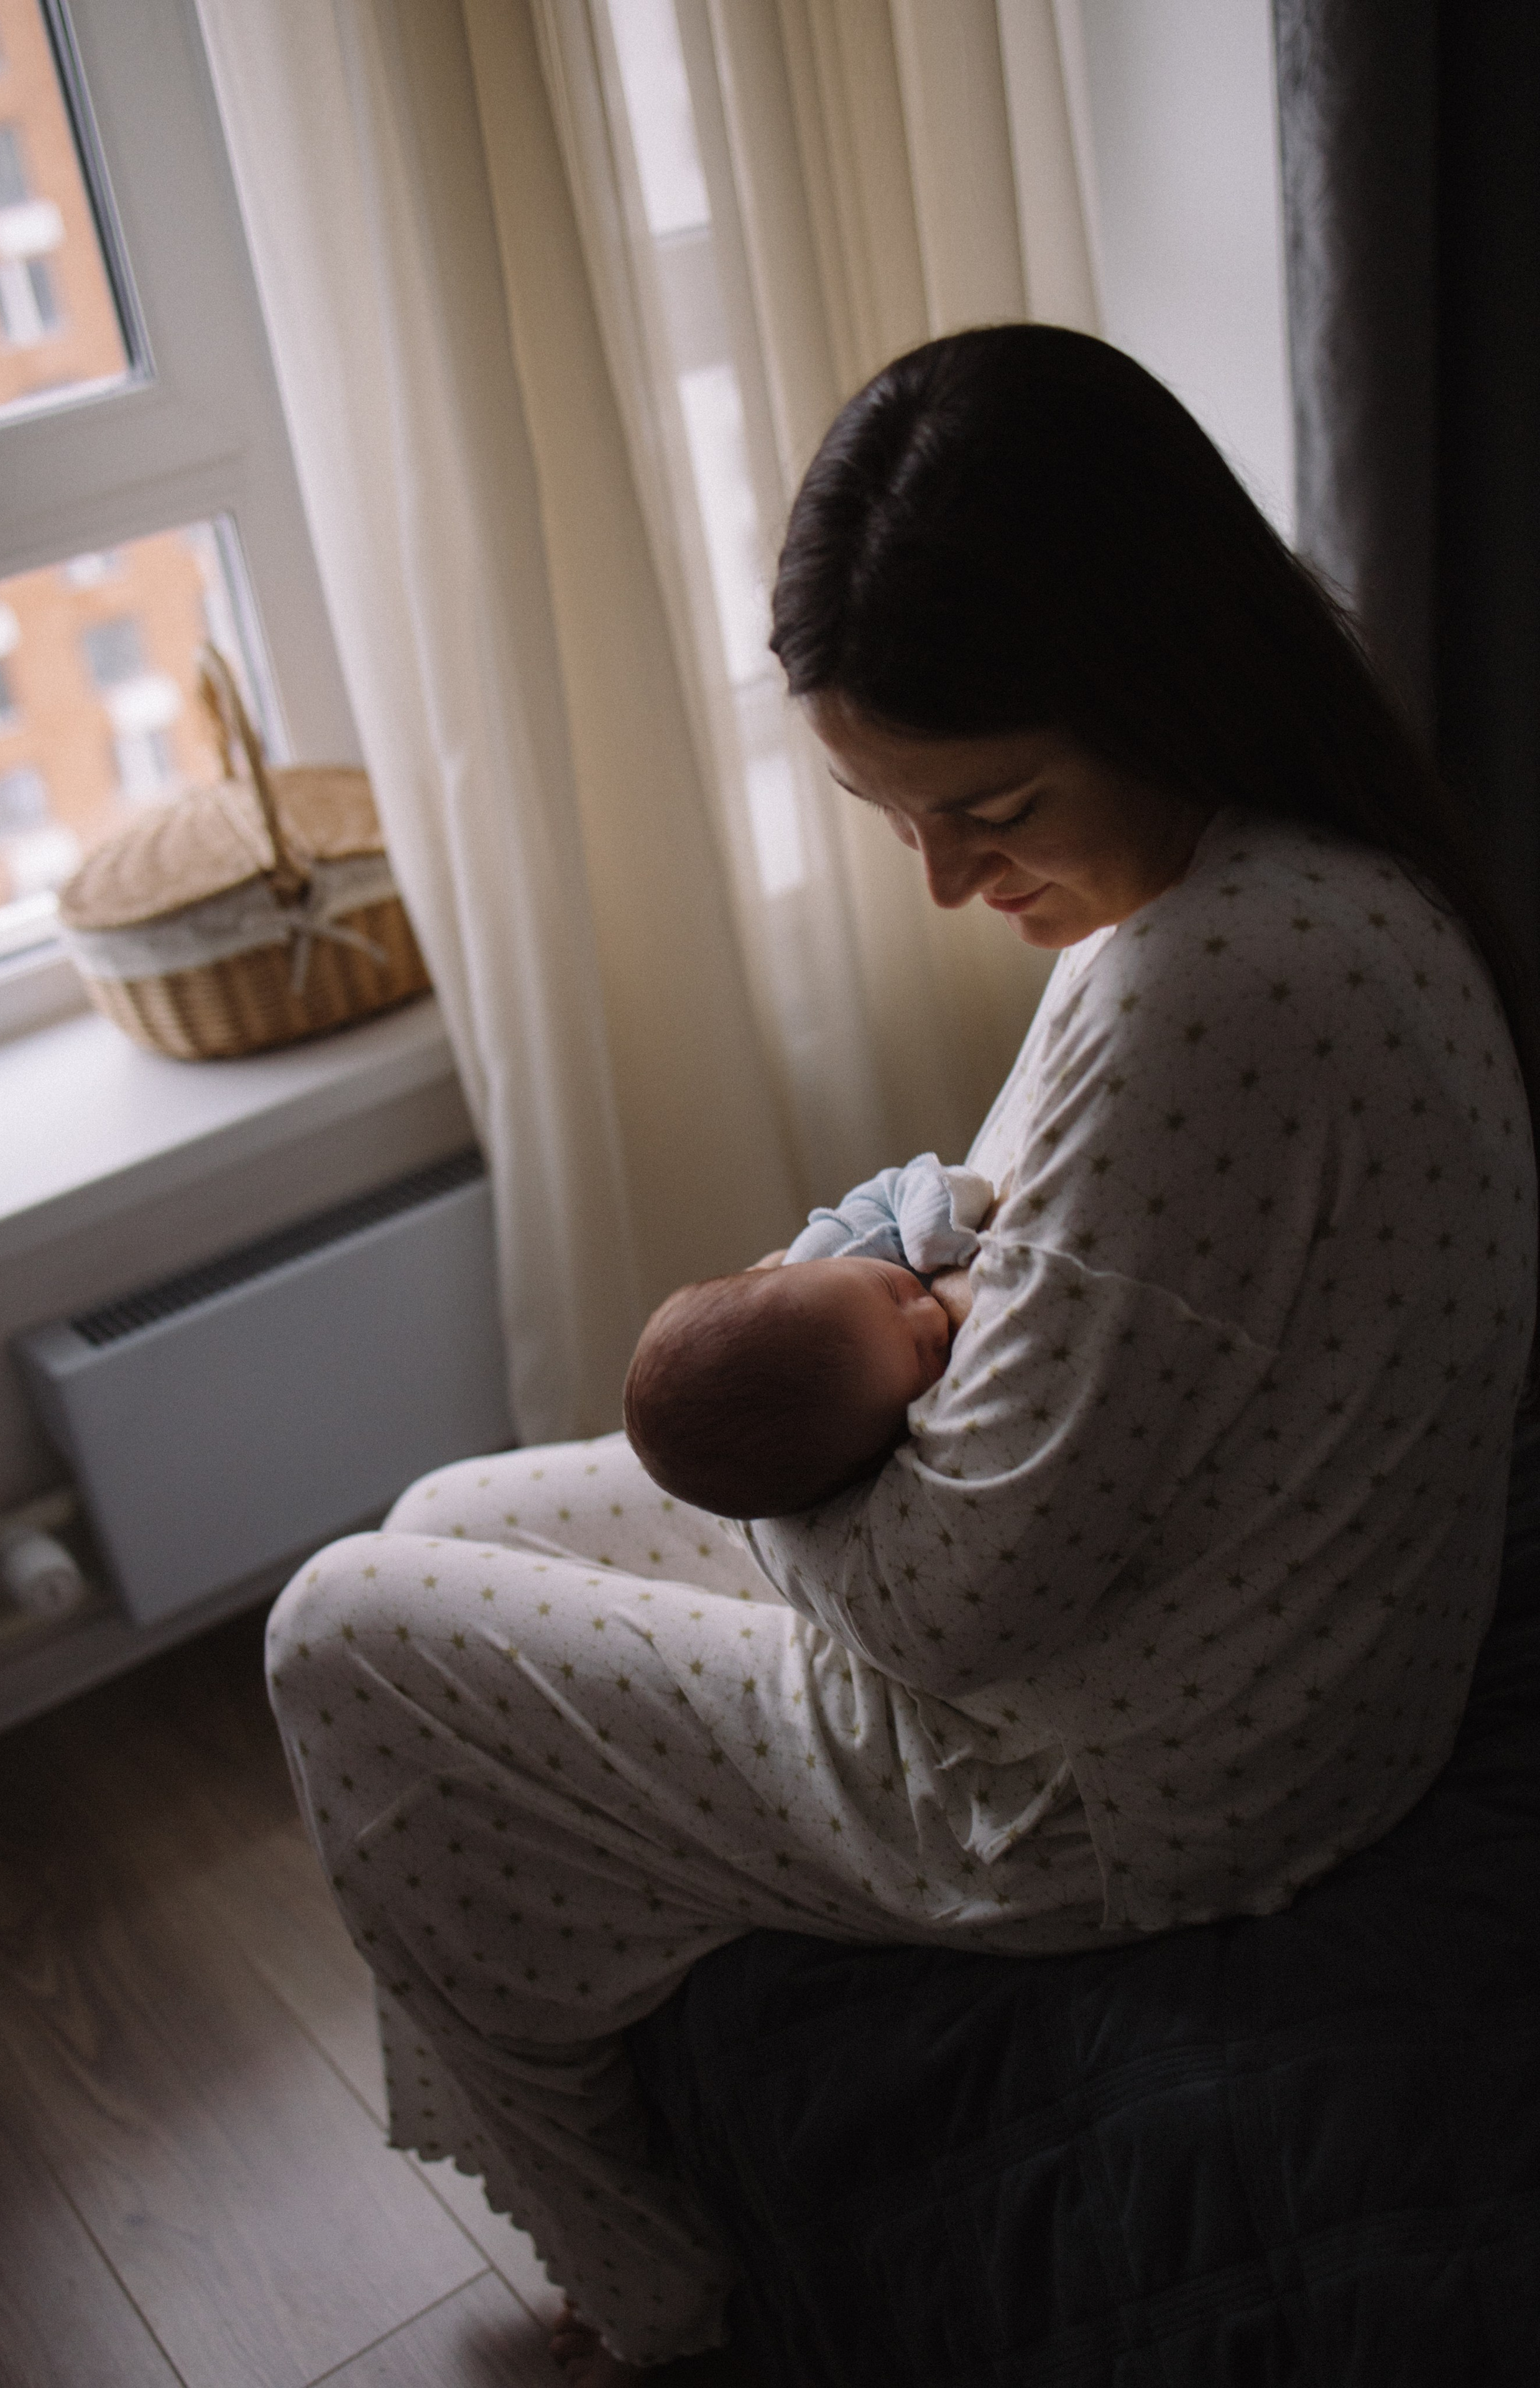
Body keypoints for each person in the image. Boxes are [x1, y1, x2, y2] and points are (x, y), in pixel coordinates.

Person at [264, 325, 1537, 2387]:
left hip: (1113, 1792)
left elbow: (955, 1612)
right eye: (892, 814)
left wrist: (756, 1465)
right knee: (445, 1516)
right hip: (1178, 1655)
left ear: (1156, 675)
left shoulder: (1221, 984)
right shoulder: (1278, 885)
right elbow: (1030, 1287)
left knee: (344, 1630)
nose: (947, 877)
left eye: (989, 805)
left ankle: (656, 2295)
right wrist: (846, 1382)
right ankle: (608, 2062)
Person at [623, 1152, 990, 1519]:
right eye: (924, 1355)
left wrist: (934, 1225)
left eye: (890, 1292)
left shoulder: (835, 1250)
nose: (931, 1318)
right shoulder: (868, 1429)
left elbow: (906, 1184)